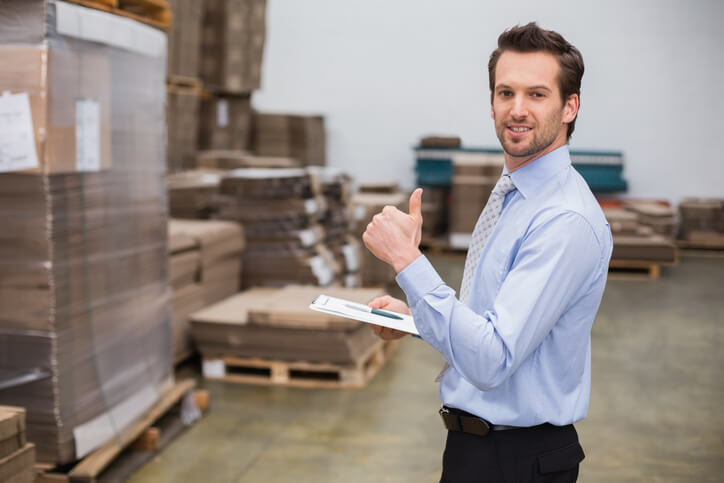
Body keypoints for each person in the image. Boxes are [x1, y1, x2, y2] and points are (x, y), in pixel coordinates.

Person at [362, 22, 613, 483]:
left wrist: (408, 262)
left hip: (517, 460)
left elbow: (491, 359)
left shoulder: (563, 219)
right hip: (477, 450)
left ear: (569, 106)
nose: (517, 110)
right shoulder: (514, 193)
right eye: (505, 93)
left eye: (537, 94)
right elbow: (492, 323)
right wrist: (418, 317)